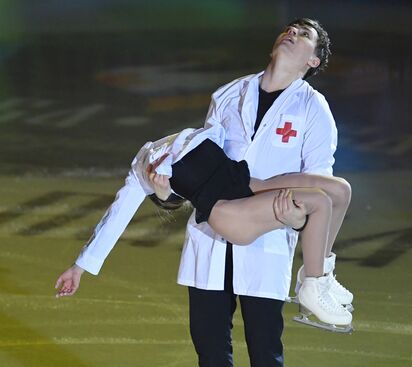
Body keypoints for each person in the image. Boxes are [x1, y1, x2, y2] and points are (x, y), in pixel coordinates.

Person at [57, 18, 353, 367]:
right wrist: (164, 195)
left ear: (313, 61)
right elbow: (194, 179)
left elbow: (318, 180)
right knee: (212, 353)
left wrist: (297, 220)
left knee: (266, 352)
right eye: (289, 29)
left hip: (267, 235)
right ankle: (316, 282)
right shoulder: (227, 95)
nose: (292, 33)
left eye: (304, 35)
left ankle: (319, 277)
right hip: (212, 237)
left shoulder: (313, 109)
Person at [55, 124, 352, 329]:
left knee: (339, 191)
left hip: (247, 184)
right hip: (230, 213)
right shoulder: (143, 178)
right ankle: (312, 286)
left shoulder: (177, 142)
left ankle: (322, 275)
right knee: (320, 203)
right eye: (168, 195)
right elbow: (116, 218)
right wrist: (80, 267)